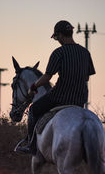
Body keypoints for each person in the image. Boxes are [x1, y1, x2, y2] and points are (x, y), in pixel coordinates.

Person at [16, 20, 96, 154]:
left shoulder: (59, 53)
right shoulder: (85, 53)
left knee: (34, 110)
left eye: (56, 37)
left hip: (60, 97)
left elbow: (47, 76)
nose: (57, 40)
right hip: (79, 99)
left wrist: (34, 86)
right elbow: (87, 77)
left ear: (60, 35)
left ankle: (32, 146)